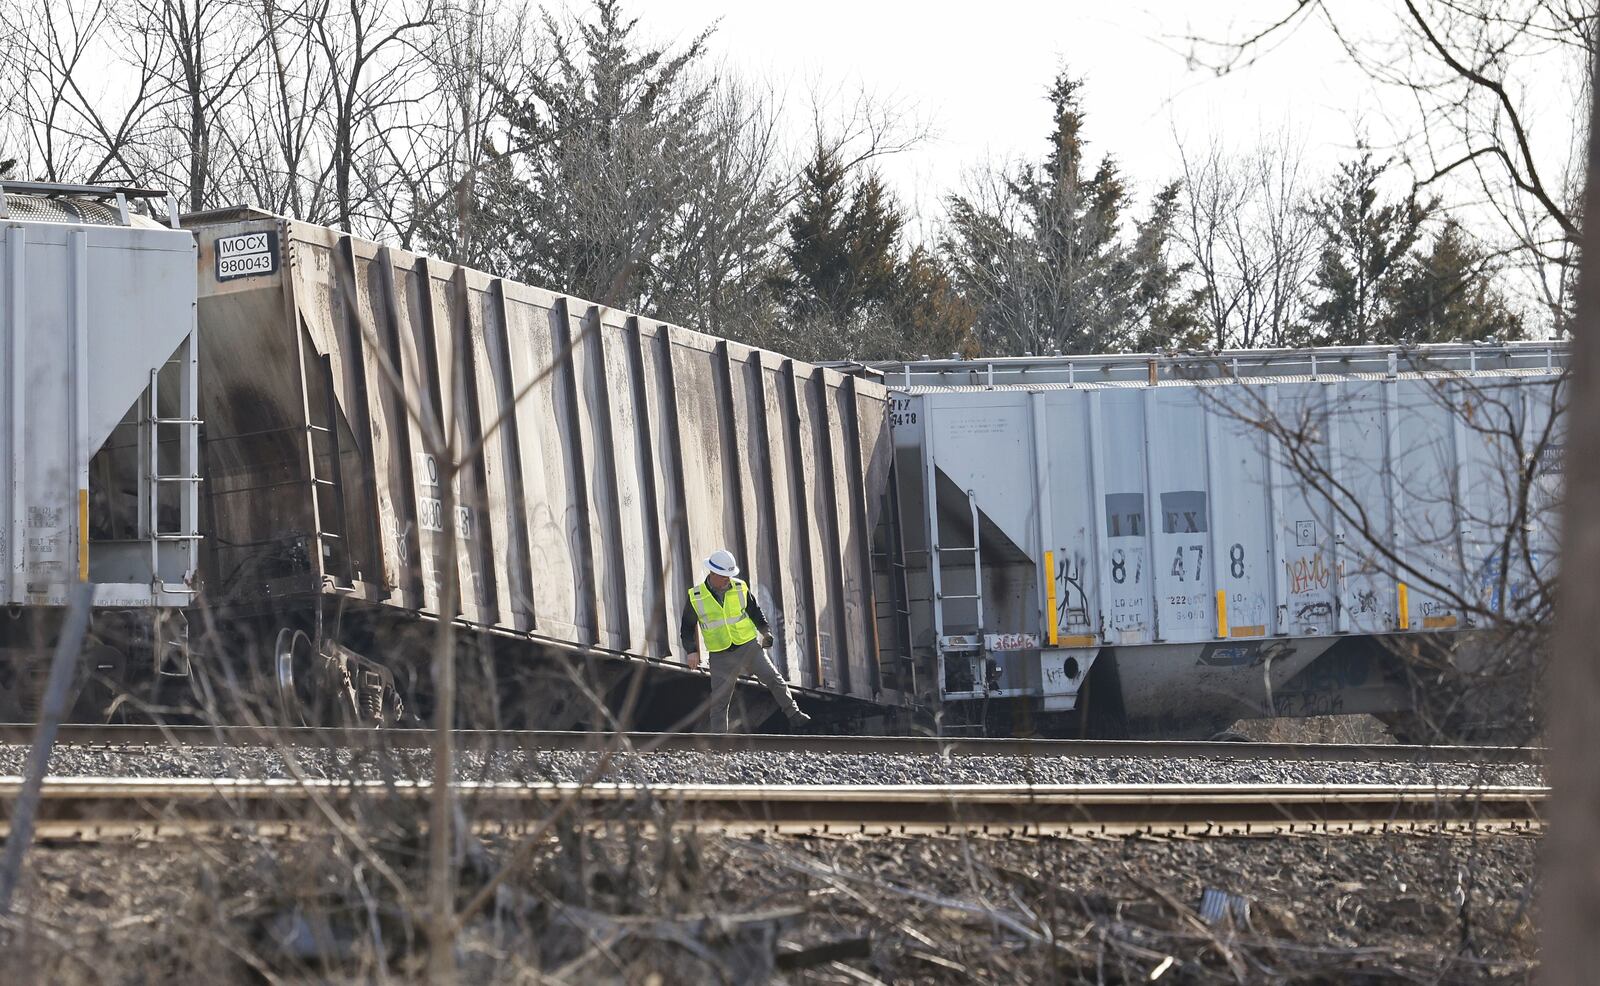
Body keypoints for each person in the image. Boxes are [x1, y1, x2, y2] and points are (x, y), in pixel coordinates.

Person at [680, 549, 812, 732]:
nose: (728, 579)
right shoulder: (696, 597)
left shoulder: (740, 588)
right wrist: (691, 651)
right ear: (713, 573)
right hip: (721, 654)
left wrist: (766, 633)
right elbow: (686, 628)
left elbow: (755, 613)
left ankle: (795, 715)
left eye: (729, 575)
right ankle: (719, 742)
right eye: (724, 576)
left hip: (748, 647)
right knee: (719, 701)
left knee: (774, 679)